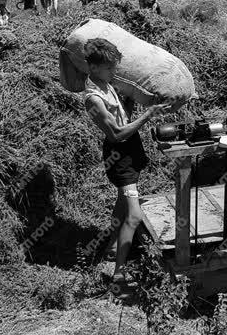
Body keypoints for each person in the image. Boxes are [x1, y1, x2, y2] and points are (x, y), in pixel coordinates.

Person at [83, 39, 171, 298]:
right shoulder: (93, 99)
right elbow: (117, 134)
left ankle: (107, 250)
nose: (114, 72)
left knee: (121, 210)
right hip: (119, 158)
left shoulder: (107, 84)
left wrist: (132, 104)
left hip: (131, 151)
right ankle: (118, 275)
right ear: (95, 67)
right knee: (133, 216)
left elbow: (123, 117)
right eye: (110, 68)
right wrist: (149, 114)